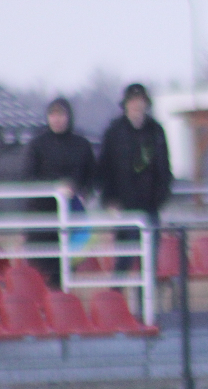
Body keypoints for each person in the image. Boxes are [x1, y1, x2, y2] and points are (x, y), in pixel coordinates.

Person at [97, 83, 172, 277]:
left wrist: (161, 198)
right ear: (126, 105)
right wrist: (110, 201)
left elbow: (164, 168)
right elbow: (104, 168)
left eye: (141, 103)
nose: (137, 107)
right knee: (124, 260)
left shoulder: (156, 131)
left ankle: (146, 305)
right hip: (123, 208)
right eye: (133, 103)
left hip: (150, 207)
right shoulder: (114, 132)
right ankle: (116, 302)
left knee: (149, 263)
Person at [22, 96, 96, 288]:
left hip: (72, 219)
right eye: (53, 114)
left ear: (68, 117)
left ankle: (63, 309)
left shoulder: (81, 145)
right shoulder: (37, 145)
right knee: (41, 271)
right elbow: (29, 177)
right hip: (42, 220)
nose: (57, 119)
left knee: (65, 273)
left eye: (61, 114)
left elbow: (91, 176)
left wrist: (79, 190)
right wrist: (54, 188)